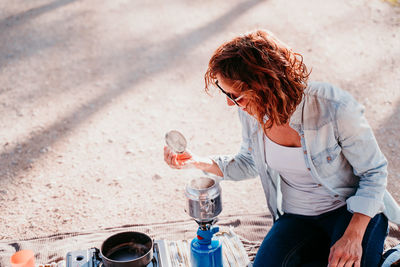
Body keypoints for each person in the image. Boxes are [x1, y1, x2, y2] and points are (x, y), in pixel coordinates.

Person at [163, 29, 400, 267]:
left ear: (264, 86)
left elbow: (374, 173)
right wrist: (195, 161)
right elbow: (249, 163)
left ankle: (389, 258)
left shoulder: (335, 106)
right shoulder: (250, 112)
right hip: (298, 217)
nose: (230, 102)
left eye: (235, 96)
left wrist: (353, 236)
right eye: (226, 93)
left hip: (351, 211)